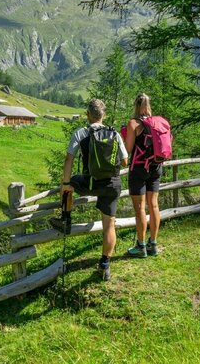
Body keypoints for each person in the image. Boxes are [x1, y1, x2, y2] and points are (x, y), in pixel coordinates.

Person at [54, 99, 128, 280]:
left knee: (69, 185)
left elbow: (69, 159)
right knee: (109, 225)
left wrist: (65, 184)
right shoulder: (114, 133)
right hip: (111, 184)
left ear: (88, 114)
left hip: (90, 183)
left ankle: (66, 219)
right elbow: (125, 161)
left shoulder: (81, 133)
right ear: (104, 115)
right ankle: (105, 264)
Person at [125, 93, 163, 258]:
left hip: (139, 169)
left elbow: (128, 149)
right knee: (153, 205)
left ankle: (141, 246)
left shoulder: (134, 123)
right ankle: (153, 244)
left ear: (136, 105)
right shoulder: (157, 122)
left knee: (140, 208)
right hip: (156, 167)